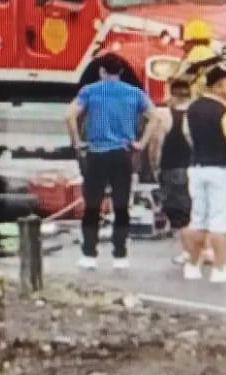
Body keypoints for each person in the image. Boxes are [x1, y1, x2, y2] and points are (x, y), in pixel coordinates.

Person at [65, 54, 158, 271]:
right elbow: (155, 117)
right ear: (121, 72)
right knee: (121, 205)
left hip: (96, 154)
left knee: (92, 206)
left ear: (101, 71)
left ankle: (89, 254)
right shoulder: (135, 93)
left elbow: (69, 116)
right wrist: (141, 143)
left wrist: (78, 141)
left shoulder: (89, 91)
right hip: (122, 154)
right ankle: (120, 255)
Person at [183, 64, 226, 283]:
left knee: (198, 220)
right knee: (220, 223)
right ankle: (220, 269)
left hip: (198, 168)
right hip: (222, 170)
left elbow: (188, 137)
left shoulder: (192, 108)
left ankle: (192, 266)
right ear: (218, 86)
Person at [150, 76, 198, 269]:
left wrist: (155, 166)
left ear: (172, 94)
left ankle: (188, 252)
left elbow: (156, 144)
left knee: (180, 214)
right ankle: (204, 249)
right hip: (199, 167)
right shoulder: (199, 113)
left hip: (174, 167)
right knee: (198, 210)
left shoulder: (165, 115)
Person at [174, 19, 221, 98]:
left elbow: (184, 76)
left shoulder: (198, 52)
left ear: (191, 41)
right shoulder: (208, 52)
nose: (182, 46)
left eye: (185, 42)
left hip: (195, 97)